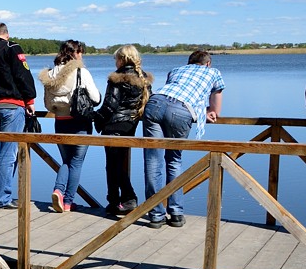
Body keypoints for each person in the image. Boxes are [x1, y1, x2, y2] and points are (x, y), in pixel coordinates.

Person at [142, 50, 224, 228]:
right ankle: (176, 213)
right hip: (181, 110)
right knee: (173, 160)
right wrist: (211, 111)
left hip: (154, 103)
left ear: (189, 63)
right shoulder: (213, 72)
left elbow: (170, 93)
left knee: (153, 161)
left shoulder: (176, 70)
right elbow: (216, 103)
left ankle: (155, 215)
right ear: (208, 63)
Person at [0, 23, 37, 209]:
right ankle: (2, 199)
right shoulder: (12, 47)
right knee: (8, 154)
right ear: (7, 34)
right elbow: (23, 74)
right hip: (11, 105)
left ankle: (0, 195)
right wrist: (30, 100)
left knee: (6, 152)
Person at [38, 40, 101, 213]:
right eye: (80, 52)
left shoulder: (50, 74)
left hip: (60, 121)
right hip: (80, 121)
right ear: (75, 53)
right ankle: (67, 202)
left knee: (66, 161)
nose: (82, 55)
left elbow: (47, 104)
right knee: (76, 162)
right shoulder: (81, 71)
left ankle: (58, 190)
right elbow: (95, 98)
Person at [93, 45, 154, 215]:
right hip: (130, 125)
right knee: (117, 163)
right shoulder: (143, 79)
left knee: (113, 165)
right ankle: (115, 202)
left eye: (116, 59)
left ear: (122, 59)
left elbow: (109, 105)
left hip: (114, 125)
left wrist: (95, 118)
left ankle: (127, 198)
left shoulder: (117, 78)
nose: (115, 62)